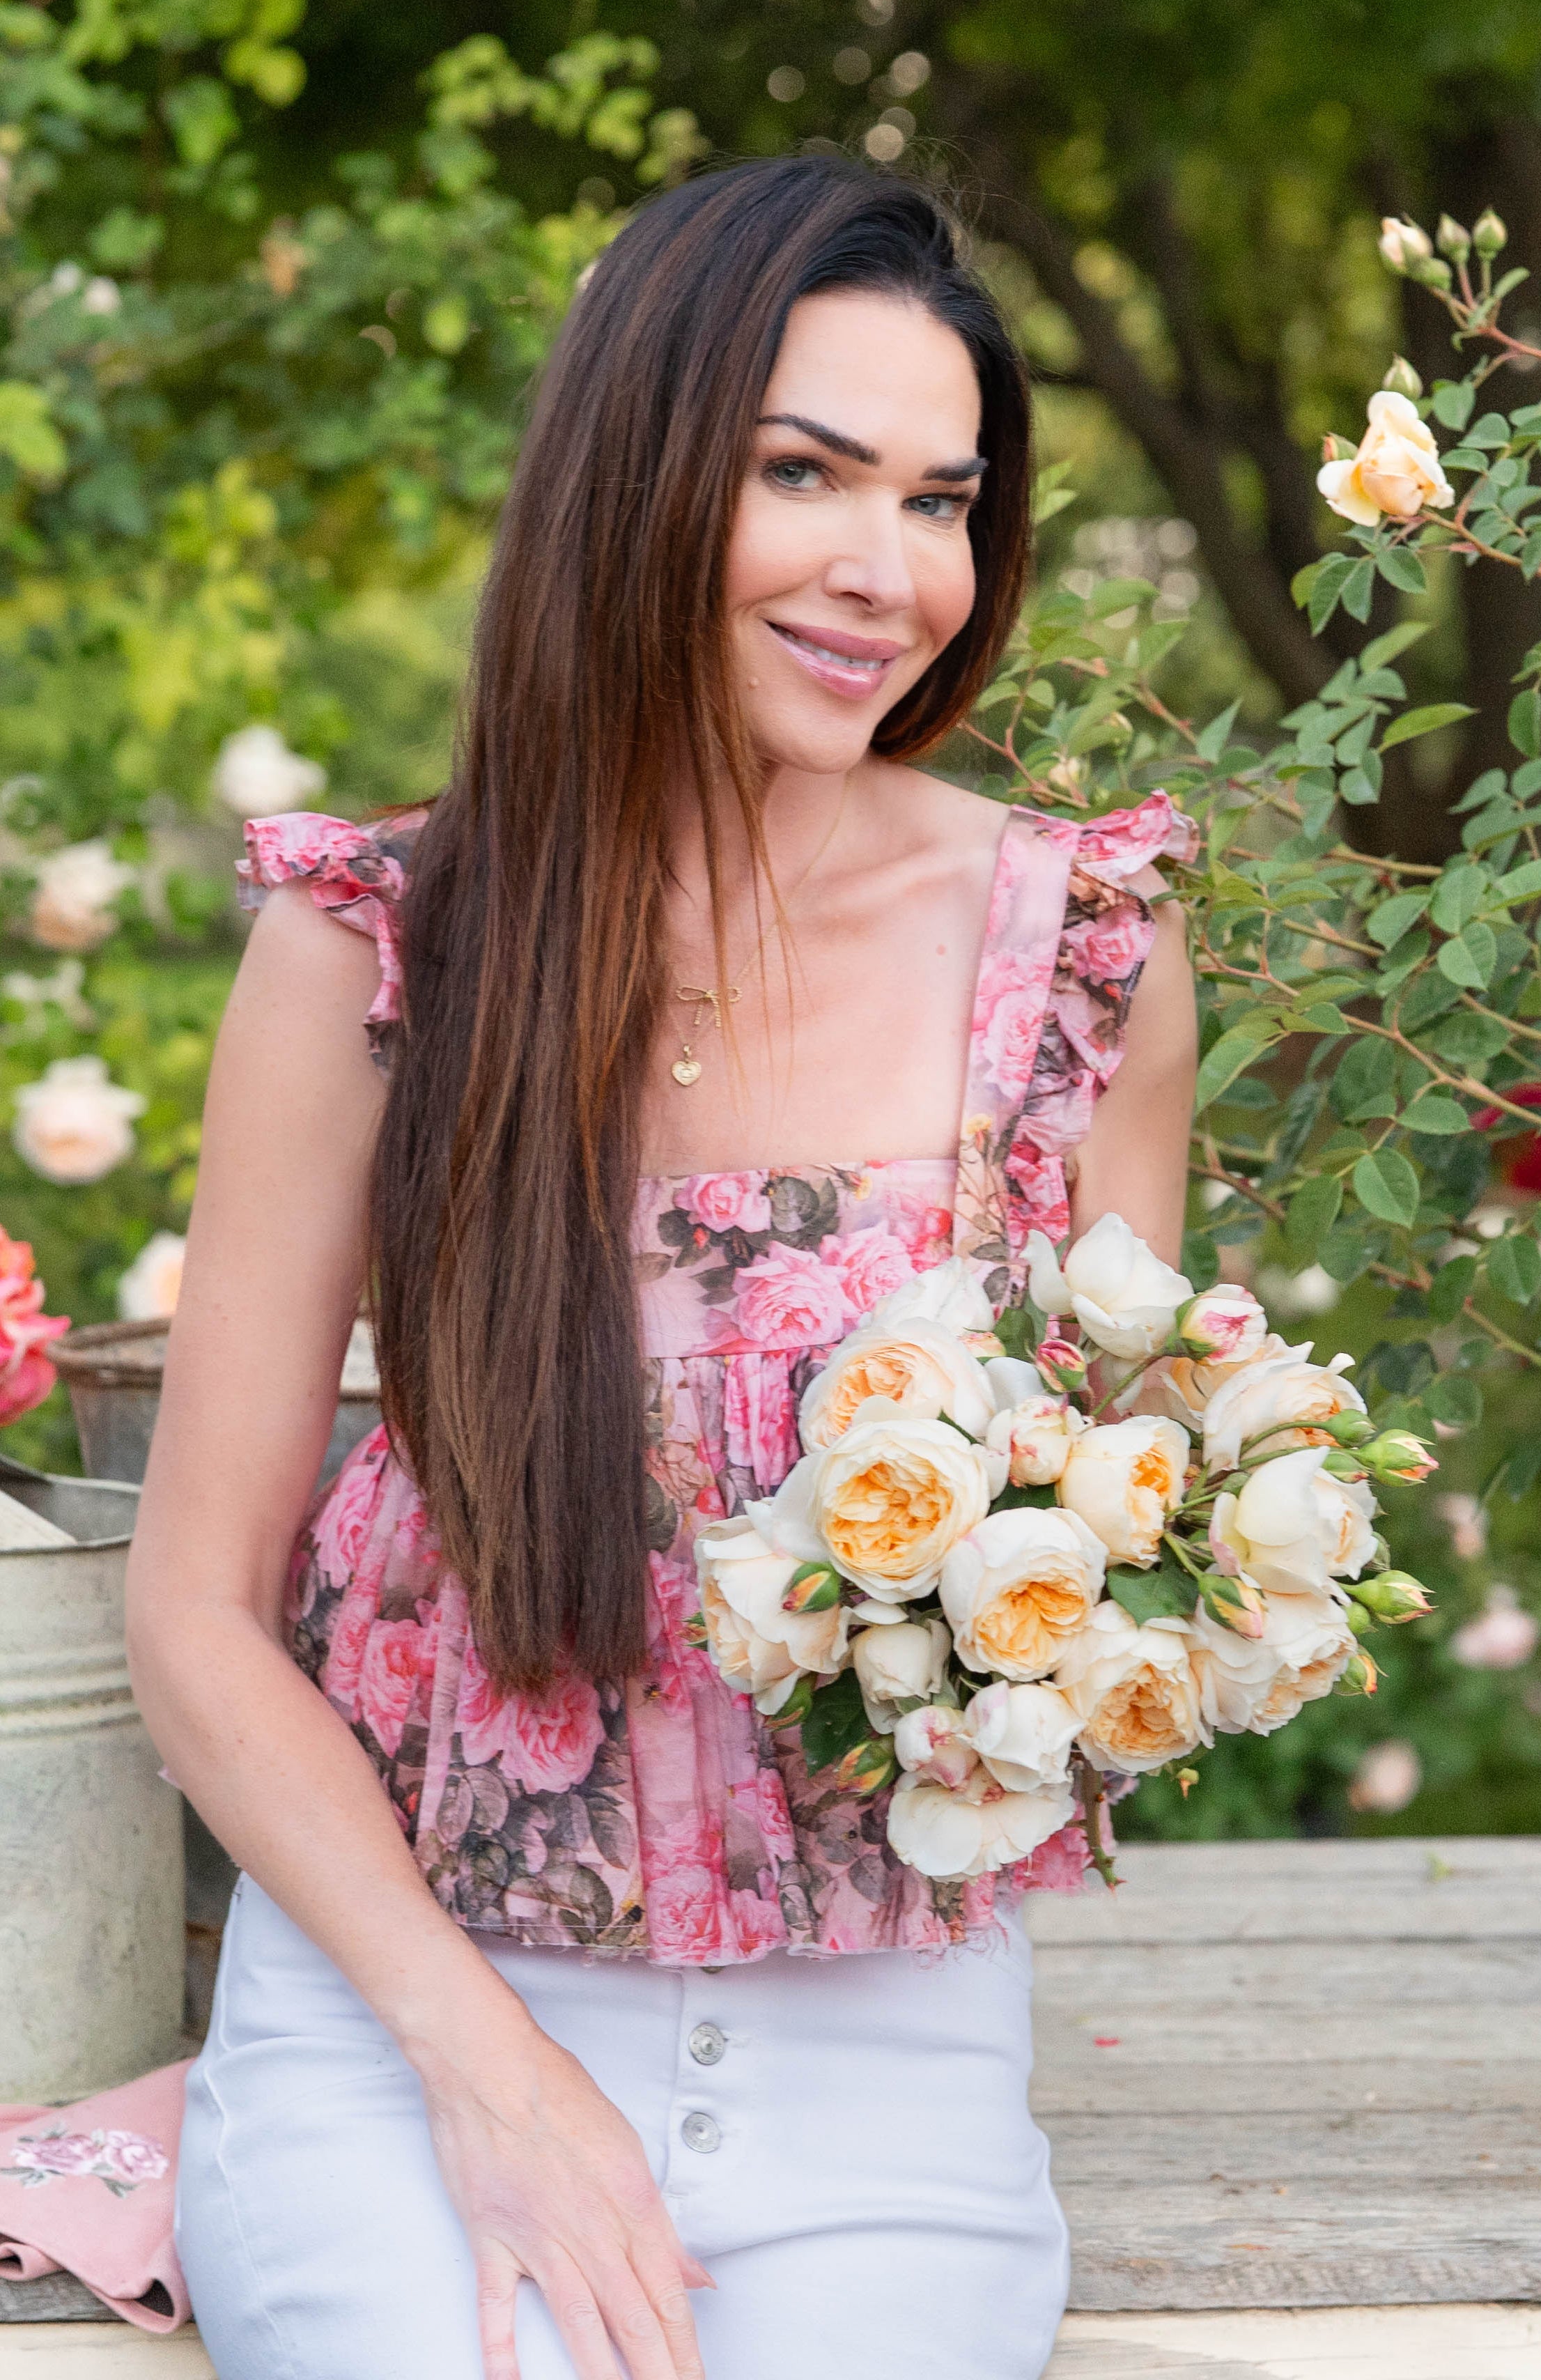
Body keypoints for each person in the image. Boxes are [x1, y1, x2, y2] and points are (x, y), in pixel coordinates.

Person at [127, 155, 1198, 2380]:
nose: (886, 571)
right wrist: (488, 2075)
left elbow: (1118, 1559)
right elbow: (195, 1612)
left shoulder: (1078, 951)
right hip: (409, 2020)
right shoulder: (379, 950)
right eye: (803, 474)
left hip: (883, 2052)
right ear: (635, 476)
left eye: (942, 500)